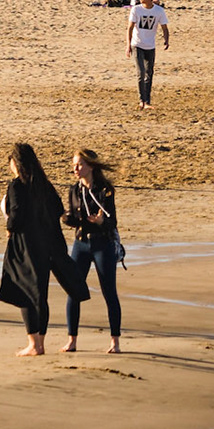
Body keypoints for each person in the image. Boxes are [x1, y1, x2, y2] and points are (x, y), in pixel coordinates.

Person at [0, 143, 89, 356]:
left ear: (17, 162)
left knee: (26, 292)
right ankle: (40, 343)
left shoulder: (17, 185)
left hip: (26, 246)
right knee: (41, 293)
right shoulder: (44, 185)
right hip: (50, 243)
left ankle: (34, 344)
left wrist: (9, 228)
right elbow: (58, 209)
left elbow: (16, 214)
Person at [62, 149, 123, 354]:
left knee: (109, 292)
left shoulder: (104, 190)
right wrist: (65, 218)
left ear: (90, 166)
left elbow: (112, 221)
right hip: (81, 244)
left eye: (79, 165)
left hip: (102, 245)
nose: (75, 169)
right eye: (73, 165)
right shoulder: (74, 190)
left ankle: (115, 341)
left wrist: (102, 221)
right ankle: (72, 340)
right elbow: (72, 218)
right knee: (73, 290)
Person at [127, 0, 171, 109]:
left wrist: (166, 40)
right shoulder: (136, 10)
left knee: (149, 73)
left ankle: (147, 101)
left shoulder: (158, 11)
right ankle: (142, 100)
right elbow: (130, 28)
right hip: (137, 44)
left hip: (150, 46)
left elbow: (164, 28)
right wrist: (128, 45)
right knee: (141, 73)